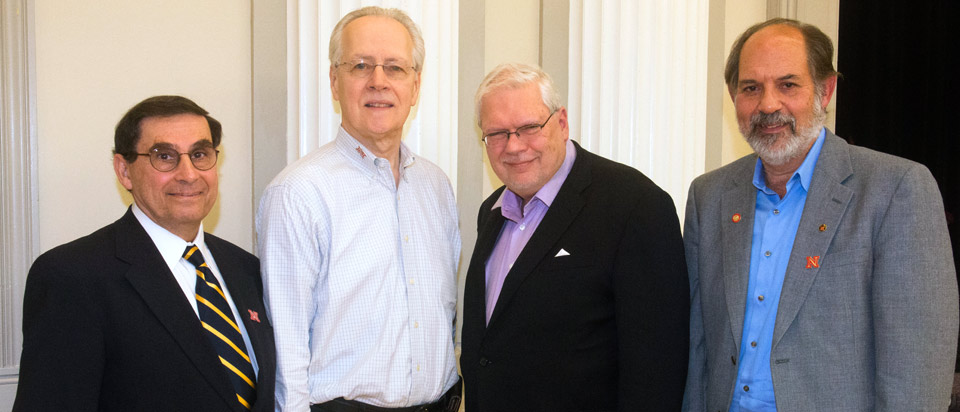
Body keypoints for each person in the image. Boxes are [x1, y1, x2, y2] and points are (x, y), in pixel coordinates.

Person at [682, 18, 959, 412]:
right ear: (733, 96)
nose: (768, 104)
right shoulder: (708, 197)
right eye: (751, 88)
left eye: (788, 84)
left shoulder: (896, 190)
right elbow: (698, 346)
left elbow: (918, 365)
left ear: (825, 90)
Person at [256, 6, 461, 412]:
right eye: (361, 66)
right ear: (335, 81)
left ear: (416, 86)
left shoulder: (436, 187)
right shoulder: (299, 193)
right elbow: (286, 346)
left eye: (395, 68)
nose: (378, 82)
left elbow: (446, 310)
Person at [13, 95, 276, 411]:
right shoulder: (72, 276)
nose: (189, 174)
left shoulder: (247, 269)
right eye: (164, 156)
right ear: (124, 171)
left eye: (200, 154)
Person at [460, 63, 690, 411]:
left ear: (562, 123)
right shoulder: (491, 212)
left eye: (528, 127)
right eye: (497, 133)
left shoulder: (635, 206)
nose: (514, 146)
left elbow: (656, 370)